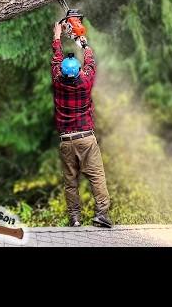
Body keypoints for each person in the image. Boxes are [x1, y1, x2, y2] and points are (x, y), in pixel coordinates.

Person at [51, 22, 113, 228]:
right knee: (97, 177)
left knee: (70, 182)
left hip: (66, 141)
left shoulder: (58, 81)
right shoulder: (85, 82)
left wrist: (57, 35)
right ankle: (102, 214)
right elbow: (90, 62)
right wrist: (84, 44)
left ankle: (75, 218)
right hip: (86, 138)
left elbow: (56, 58)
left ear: (61, 71)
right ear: (78, 71)